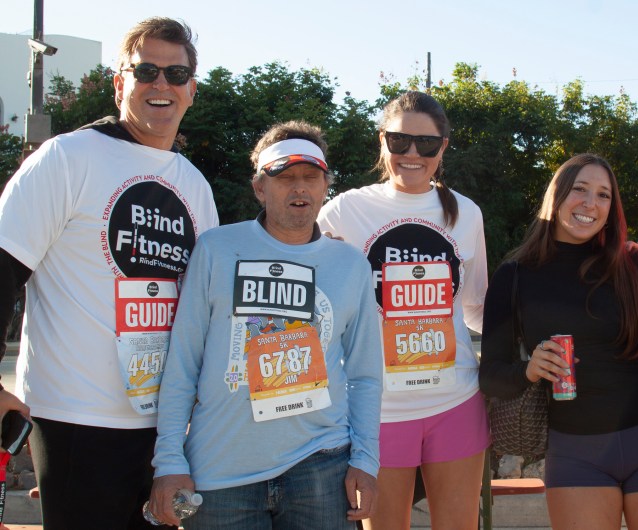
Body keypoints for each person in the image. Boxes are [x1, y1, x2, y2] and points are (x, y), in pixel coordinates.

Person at [0, 17, 218, 529]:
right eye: (146, 70)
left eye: (175, 73)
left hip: (163, 426)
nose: (160, 84)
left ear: (191, 90)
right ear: (120, 82)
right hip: (76, 417)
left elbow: (201, 307)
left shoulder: (194, 184)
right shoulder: (68, 158)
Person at [479, 154, 638, 530]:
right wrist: (529, 369)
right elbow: (490, 376)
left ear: (611, 208)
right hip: (574, 450)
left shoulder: (631, 265)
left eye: (603, 195)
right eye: (580, 189)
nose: (590, 203)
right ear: (557, 195)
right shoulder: (515, 275)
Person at [149, 121, 382, 529]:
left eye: (311, 177)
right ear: (259, 187)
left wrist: (366, 459)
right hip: (222, 470)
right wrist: (169, 459)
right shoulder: (216, 249)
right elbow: (183, 363)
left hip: (321, 465)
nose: (299, 189)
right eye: (285, 178)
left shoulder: (350, 265)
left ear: (326, 185)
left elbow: (365, 374)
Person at [318, 91, 489, 530]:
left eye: (426, 144)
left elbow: (475, 306)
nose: (412, 154)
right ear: (382, 142)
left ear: (443, 148)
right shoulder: (343, 211)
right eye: (399, 142)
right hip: (379, 412)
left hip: (456, 402)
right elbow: (313, 301)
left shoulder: (466, 214)